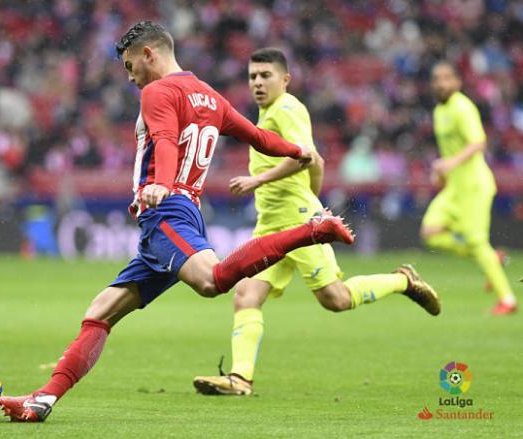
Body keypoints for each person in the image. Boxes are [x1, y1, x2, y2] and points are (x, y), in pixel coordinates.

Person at [0, 22, 355, 422]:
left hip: (167, 212)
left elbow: (165, 139)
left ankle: (312, 231)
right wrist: (296, 151)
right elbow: (256, 136)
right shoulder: (209, 96)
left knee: (212, 281)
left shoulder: (158, 91)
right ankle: (42, 401)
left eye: (131, 65)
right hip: (168, 223)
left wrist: (162, 185)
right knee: (99, 312)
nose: (130, 76)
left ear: (149, 54)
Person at [192, 48, 440, 396]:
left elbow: (306, 157)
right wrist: (313, 198)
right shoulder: (267, 114)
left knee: (335, 299)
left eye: (266, 76)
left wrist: (266, 185)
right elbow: (318, 161)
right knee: (246, 295)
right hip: (272, 225)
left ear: (285, 79)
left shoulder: (287, 108)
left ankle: (403, 281)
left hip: (296, 223)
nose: (258, 83)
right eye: (253, 77)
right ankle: (240, 379)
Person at [420, 61, 517, 315]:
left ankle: (507, 299)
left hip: (474, 185)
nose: (440, 83)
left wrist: (450, 162)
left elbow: (479, 142)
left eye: (446, 78)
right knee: (430, 232)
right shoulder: (440, 111)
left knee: (476, 242)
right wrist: (441, 172)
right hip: (454, 187)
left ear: (457, 82)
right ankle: (491, 259)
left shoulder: (463, 107)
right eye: (436, 78)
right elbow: (448, 150)